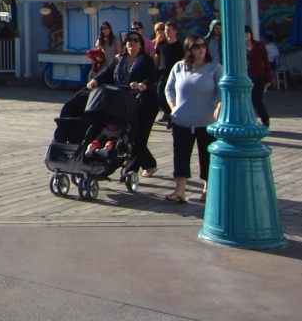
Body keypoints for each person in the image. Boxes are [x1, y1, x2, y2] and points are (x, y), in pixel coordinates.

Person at [88, 29, 159, 177]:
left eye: (136, 40)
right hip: (123, 103)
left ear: (141, 44)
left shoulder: (146, 60)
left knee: (138, 137)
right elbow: (106, 73)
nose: (132, 43)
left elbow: (151, 79)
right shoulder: (118, 59)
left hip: (145, 104)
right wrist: (96, 80)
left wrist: (141, 86)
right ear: (125, 44)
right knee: (128, 135)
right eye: (129, 40)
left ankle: (131, 169)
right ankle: (149, 163)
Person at [164, 34, 222, 203]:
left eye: (203, 45)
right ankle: (180, 191)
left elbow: (222, 89)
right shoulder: (179, 67)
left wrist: (219, 104)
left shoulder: (214, 68)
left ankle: (207, 189)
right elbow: (168, 88)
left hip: (206, 121)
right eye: (196, 46)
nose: (201, 49)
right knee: (181, 156)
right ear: (189, 49)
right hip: (182, 120)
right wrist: (173, 107)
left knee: (207, 156)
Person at [154, 21, 184, 125]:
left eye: (169, 30)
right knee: (160, 95)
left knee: (174, 96)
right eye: (165, 30)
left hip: (176, 76)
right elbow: (157, 60)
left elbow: (184, 60)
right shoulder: (161, 45)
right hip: (163, 74)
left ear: (175, 31)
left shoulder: (180, 46)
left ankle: (174, 116)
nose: (166, 32)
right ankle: (169, 113)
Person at [245, 25, 272, 127]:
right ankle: (249, 120)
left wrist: (268, 77)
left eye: (247, 33)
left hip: (258, 76)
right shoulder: (240, 47)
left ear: (251, 34)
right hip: (246, 77)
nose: (246, 35)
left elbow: (266, 62)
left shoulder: (259, 46)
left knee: (256, 100)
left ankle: (265, 120)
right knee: (246, 100)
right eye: (244, 33)